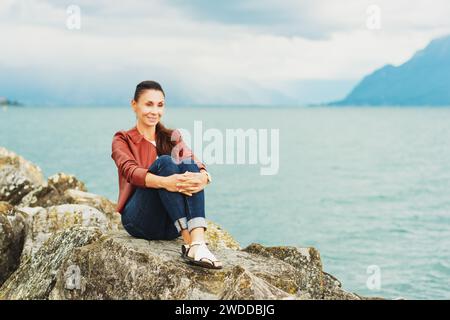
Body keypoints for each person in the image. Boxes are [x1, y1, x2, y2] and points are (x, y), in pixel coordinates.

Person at [111, 80, 222, 269]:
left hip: (172, 225)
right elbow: (130, 171)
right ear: (134, 105)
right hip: (139, 220)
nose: (155, 111)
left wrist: (204, 177)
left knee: (187, 163)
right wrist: (165, 182)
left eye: (160, 105)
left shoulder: (172, 137)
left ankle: (198, 242)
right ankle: (190, 242)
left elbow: (193, 161)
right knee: (166, 162)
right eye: (148, 104)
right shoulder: (122, 139)